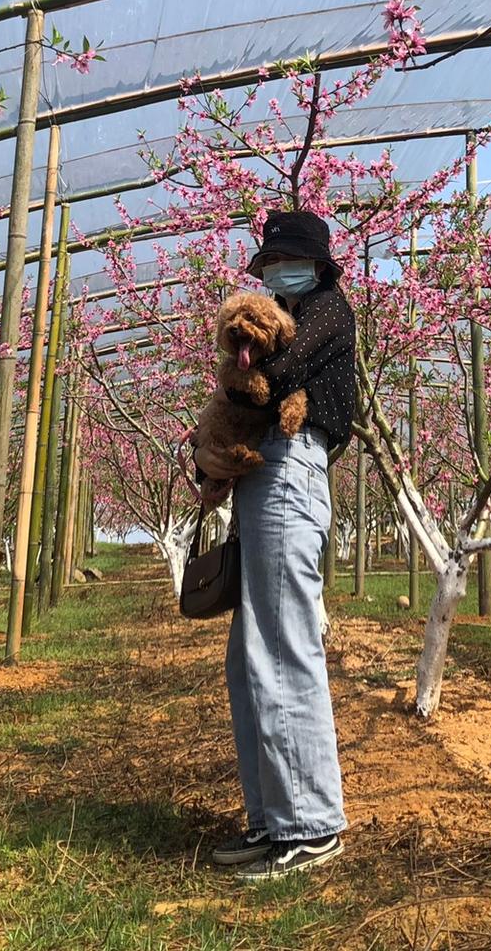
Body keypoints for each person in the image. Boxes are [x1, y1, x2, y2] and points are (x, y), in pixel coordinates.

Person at [194, 210, 355, 880]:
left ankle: (310, 825)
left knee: (282, 646)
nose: (275, 273)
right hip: (267, 470)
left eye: (284, 261)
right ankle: (271, 819)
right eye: (269, 264)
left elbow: (271, 373)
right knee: (247, 658)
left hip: (290, 467)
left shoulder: (324, 309)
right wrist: (211, 460)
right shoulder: (288, 309)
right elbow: (243, 380)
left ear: (313, 262)